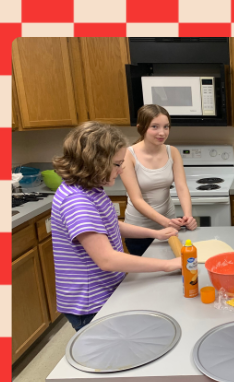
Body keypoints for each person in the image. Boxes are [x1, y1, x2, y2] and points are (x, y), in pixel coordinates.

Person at [50, 122, 180, 331]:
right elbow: (107, 259)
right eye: (117, 164)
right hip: (90, 302)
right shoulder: (77, 201)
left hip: (104, 290)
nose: (121, 170)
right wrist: (168, 264)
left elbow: (110, 224)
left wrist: (155, 233)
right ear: (95, 162)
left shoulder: (91, 188)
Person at [120, 104, 197, 256]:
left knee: (171, 270)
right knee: (146, 276)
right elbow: (137, 199)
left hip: (169, 228)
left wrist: (188, 216)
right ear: (141, 127)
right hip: (140, 230)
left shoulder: (172, 152)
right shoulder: (128, 155)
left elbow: (181, 187)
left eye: (166, 127)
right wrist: (165, 222)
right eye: (154, 127)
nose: (162, 132)